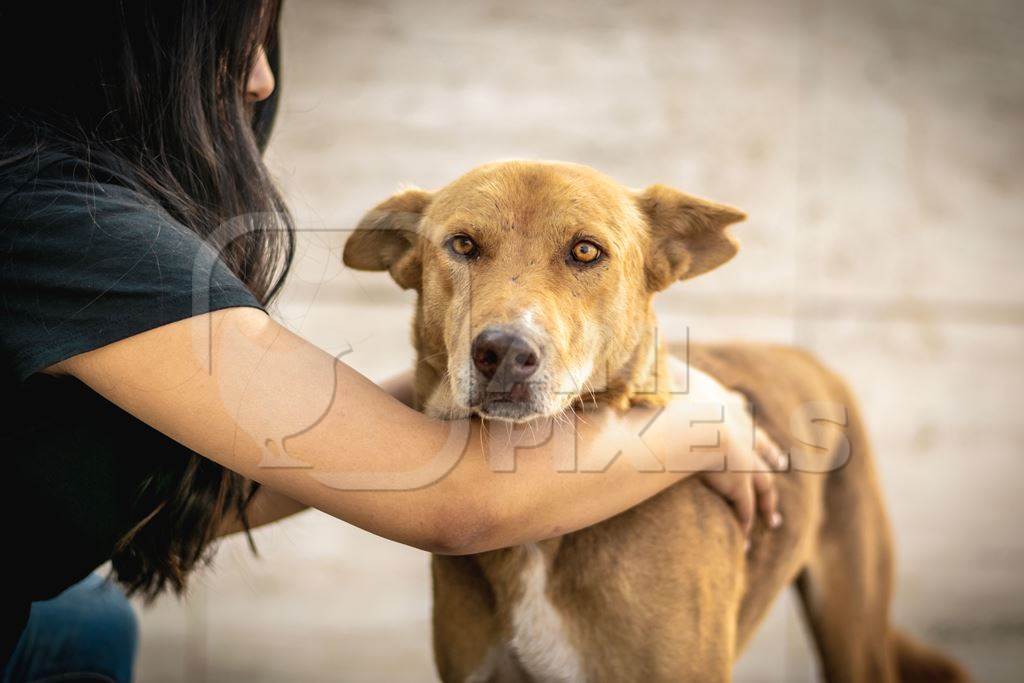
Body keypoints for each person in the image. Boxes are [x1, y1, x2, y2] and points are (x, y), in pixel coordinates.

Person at [0, 2, 782, 680]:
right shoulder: (62, 225)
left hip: (49, 604)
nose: (263, 80)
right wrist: (702, 412)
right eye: (237, 36)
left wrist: (431, 393)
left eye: (582, 254)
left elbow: (193, 496)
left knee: (101, 619)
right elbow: (454, 506)